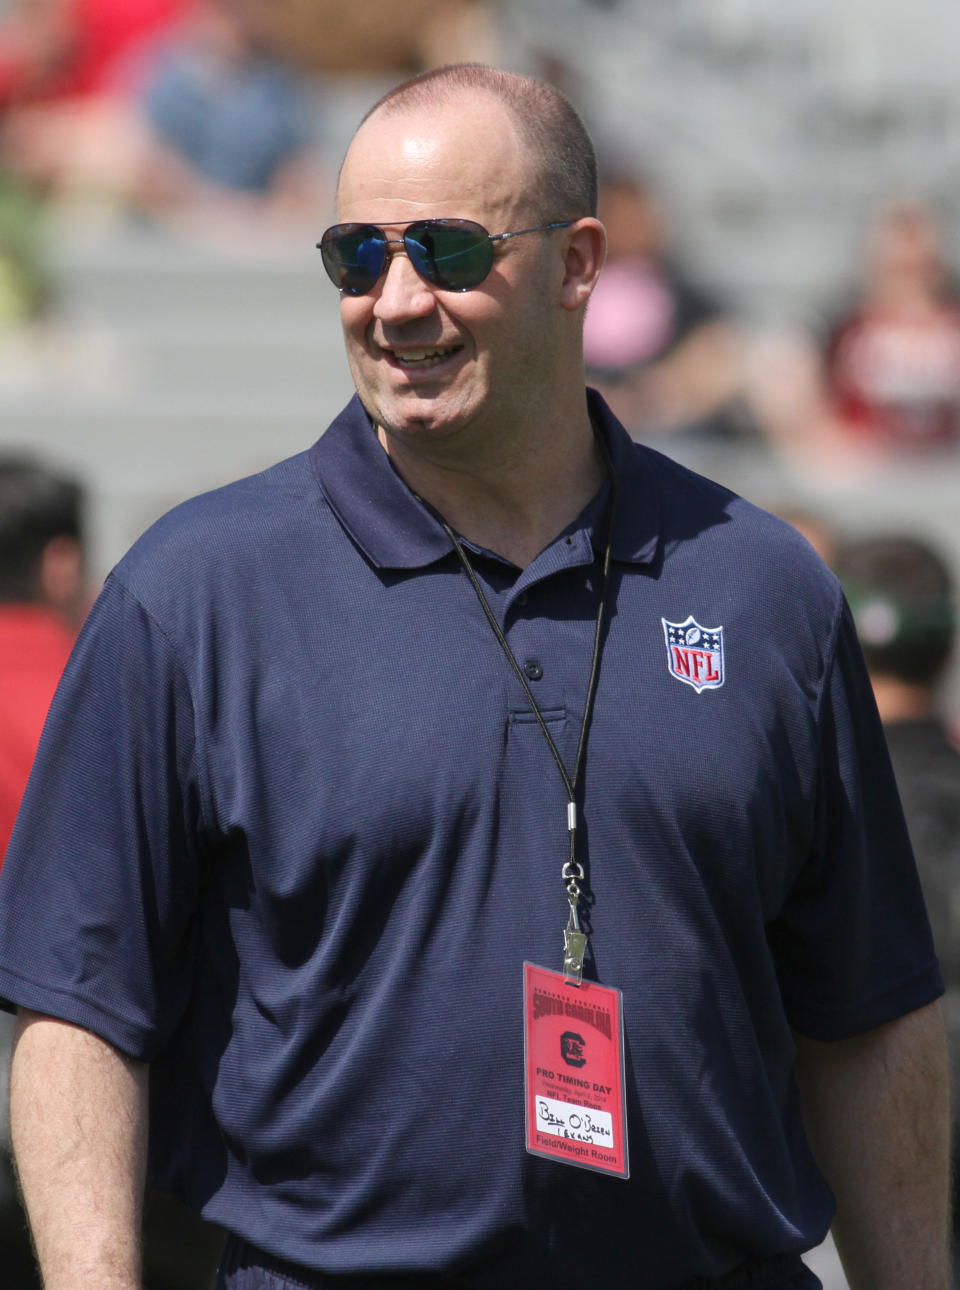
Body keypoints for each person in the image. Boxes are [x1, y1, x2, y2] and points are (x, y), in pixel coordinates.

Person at [0, 64, 949, 1290]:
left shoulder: (767, 587)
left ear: (579, 263)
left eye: (446, 250)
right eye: (357, 257)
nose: (394, 303)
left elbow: (870, 1011)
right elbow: (78, 1011)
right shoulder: (192, 592)